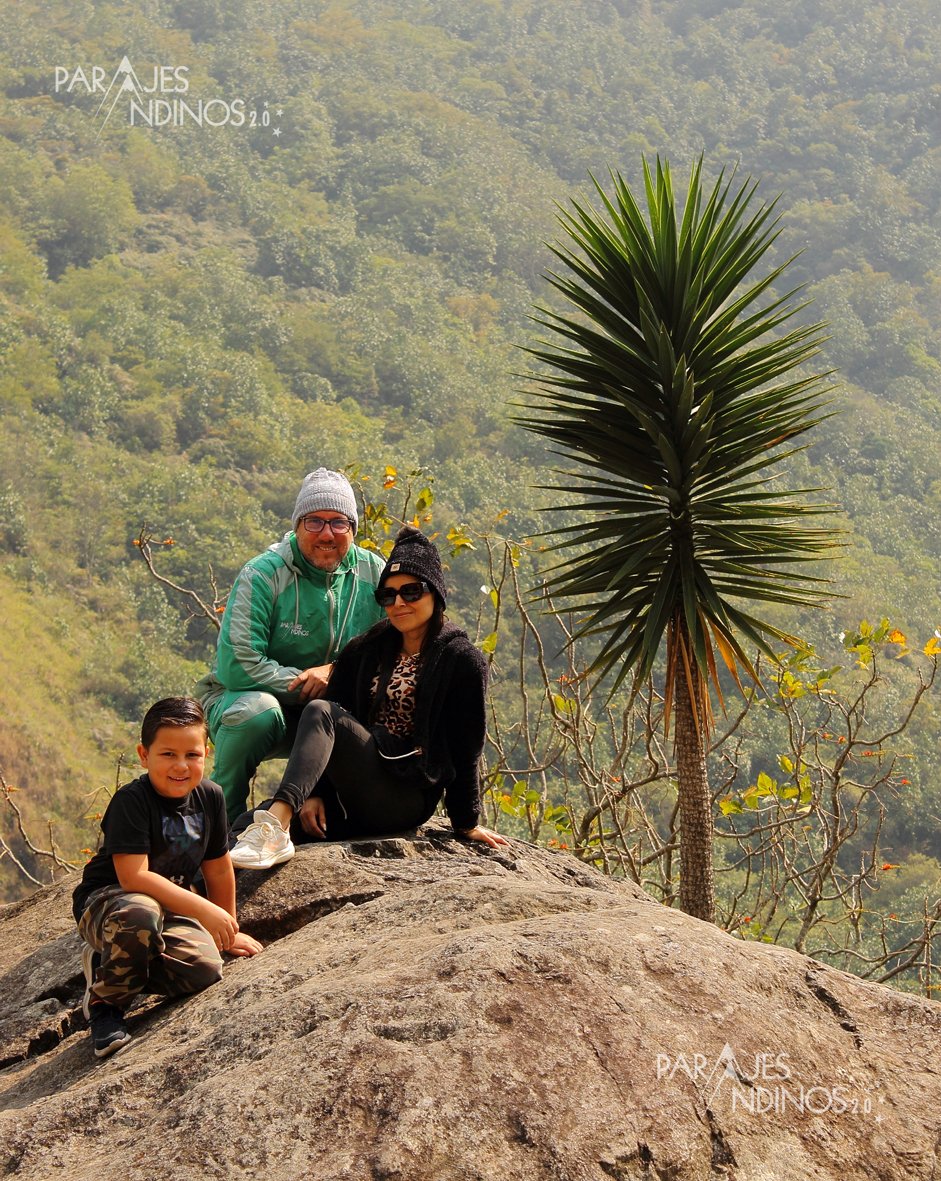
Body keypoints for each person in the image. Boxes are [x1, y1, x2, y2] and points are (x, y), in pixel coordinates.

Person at [229, 526, 508, 868]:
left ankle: (276, 825)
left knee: (320, 711)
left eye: (411, 591)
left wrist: (466, 822)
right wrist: (316, 794)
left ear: (435, 593)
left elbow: (467, 748)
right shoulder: (365, 650)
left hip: (405, 797)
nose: (399, 603)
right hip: (353, 794)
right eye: (388, 596)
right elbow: (334, 739)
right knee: (242, 828)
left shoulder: (461, 660)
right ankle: (198, 894)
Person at [72, 697, 263, 1059]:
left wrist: (228, 930)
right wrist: (205, 912)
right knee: (140, 913)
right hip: (110, 902)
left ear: (206, 752)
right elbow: (134, 877)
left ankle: (110, 963)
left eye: (192, 755)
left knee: (206, 969)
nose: (181, 766)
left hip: (167, 904)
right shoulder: (132, 800)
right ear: (144, 755)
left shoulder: (210, 797)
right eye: (167, 755)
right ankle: (106, 1005)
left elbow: (219, 867)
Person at [195, 468, 385, 822]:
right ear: (297, 526)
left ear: (353, 529)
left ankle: (332, 804)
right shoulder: (264, 574)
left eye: (339, 522)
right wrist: (308, 683)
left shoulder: (374, 575)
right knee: (256, 714)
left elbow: (394, 650)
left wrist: (335, 675)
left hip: (330, 713)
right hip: (255, 702)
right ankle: (220, 820)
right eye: (314, 521)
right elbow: (239, 662)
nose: (327, 533)